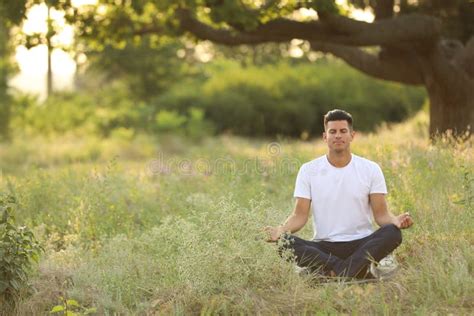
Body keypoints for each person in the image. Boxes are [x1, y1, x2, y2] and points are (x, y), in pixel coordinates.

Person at [264, 109, 413, 279]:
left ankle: (331, 272)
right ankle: (356, 270)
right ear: (324, 137)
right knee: (284, 243)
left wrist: (396, 221)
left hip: (361, 244)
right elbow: (299, 216)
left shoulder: (371, 169)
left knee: (392, 233)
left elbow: (381, 215)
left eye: (343, 131)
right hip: (324, 246)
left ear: (352, 135)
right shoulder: (308, 170)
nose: (338, 136)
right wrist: (281, 230)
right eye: (332, 131)